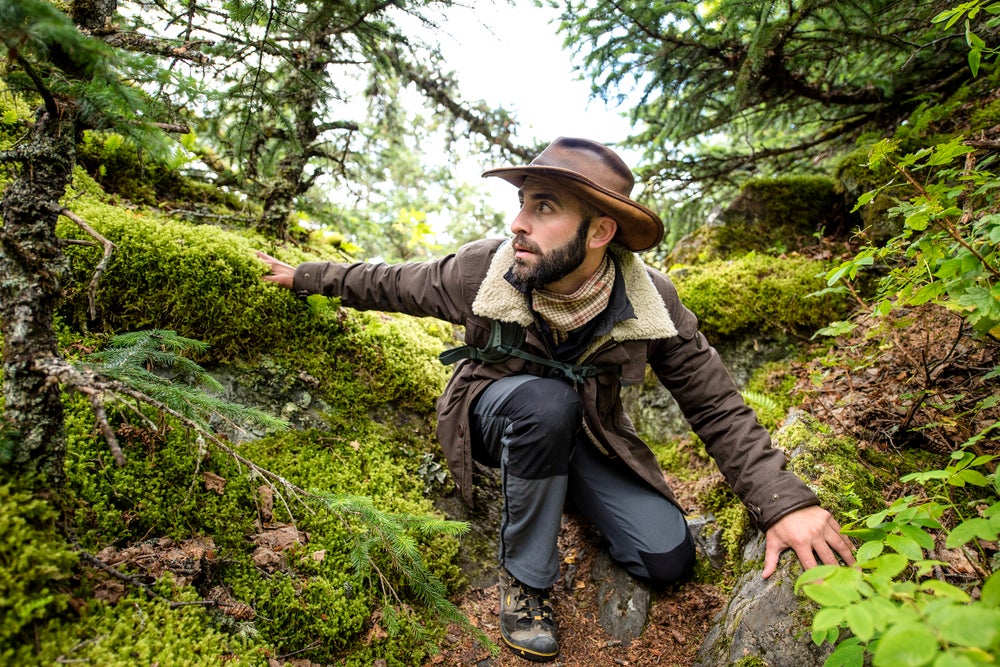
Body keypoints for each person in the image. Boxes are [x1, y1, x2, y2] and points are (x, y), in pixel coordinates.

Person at [256, 137, 855, 663]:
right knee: (546, 405)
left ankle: (557, 488)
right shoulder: (482, 271)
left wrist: (783, 504)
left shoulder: (653, 304)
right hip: (496, 414)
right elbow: (389, 282)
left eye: (543, 208)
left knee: (667, 560)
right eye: (522, 203)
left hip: (583, 437)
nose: (519, 222)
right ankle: (526, 582)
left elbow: (716, 404)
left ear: (600, 232)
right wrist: (305, 274)